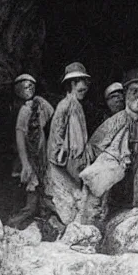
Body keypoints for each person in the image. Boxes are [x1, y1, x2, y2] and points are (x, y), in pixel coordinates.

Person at [79, 78, 138, 226]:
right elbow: (96, 144)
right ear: (127, 96)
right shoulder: (118, 119)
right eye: (134, 94)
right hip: (119, 175)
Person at [44, 62, 94, 226]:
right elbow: (57, 132)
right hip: (67, 159)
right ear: (71, 84)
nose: (85, 88)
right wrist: (58, 155)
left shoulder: (77, 105)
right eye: (81, 84)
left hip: (77, 158)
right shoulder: (65, 105)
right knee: (70, 197)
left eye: (85, 85)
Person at [7, 73, 54, 228]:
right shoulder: (23, 110)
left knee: (36, 193)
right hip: (25, 157)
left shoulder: (36, 107)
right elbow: (19, 135)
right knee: (27, 195)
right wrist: (25, 163)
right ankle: (13, 224)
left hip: (37, 157)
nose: (29, 89)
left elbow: (51, 111)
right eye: (25, 86)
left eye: (31, 86)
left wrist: (39, 100)